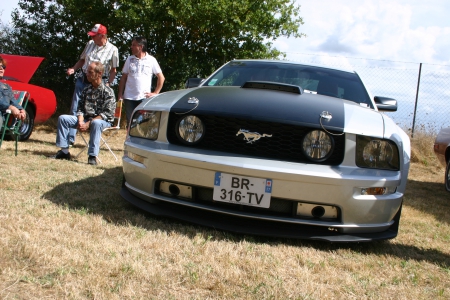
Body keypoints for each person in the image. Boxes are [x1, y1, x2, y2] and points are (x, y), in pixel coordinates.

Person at [52, 62, 116, 165]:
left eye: (90, 72)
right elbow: (80, 108)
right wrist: (81, 121)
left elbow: (107, 114)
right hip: (86, 119)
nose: (87, 74)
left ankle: (92, 156)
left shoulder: (108, 91)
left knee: (96, 123)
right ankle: (64, 152)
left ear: (99, 73)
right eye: (87, 72)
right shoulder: (86, 90)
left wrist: (88, 123)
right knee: (63, 118)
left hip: (102, 121)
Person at [66, 24, 119, 145]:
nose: (93, 38)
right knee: (75, 107)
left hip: (98, 83)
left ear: (102, 36)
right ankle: (70, 139)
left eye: (95, 36)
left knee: (96, 111)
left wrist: (109, 83)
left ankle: (92, 138)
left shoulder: (113, 49)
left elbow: (113, 70)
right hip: (83, 79)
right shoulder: (90, 44)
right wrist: (74, 69)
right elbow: (82, 60)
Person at [118, 36, 165, 125]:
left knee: (144, 123)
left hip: (144, 97)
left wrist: (156, 93)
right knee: (131, 122)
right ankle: (129, 139)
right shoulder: (129, 59)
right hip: (129, 97)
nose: (131, 47)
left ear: (141, 47)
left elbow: (161, 77)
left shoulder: (151, 60)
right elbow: (123, 77)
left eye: (133, 45)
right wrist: (120, 93)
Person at [0, 56, 26, 129]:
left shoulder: (7, 87)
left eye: (3, 67)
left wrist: (21, 109)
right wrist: (10, 107)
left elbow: (13, 100)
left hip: (5, 116)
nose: (1, 69)